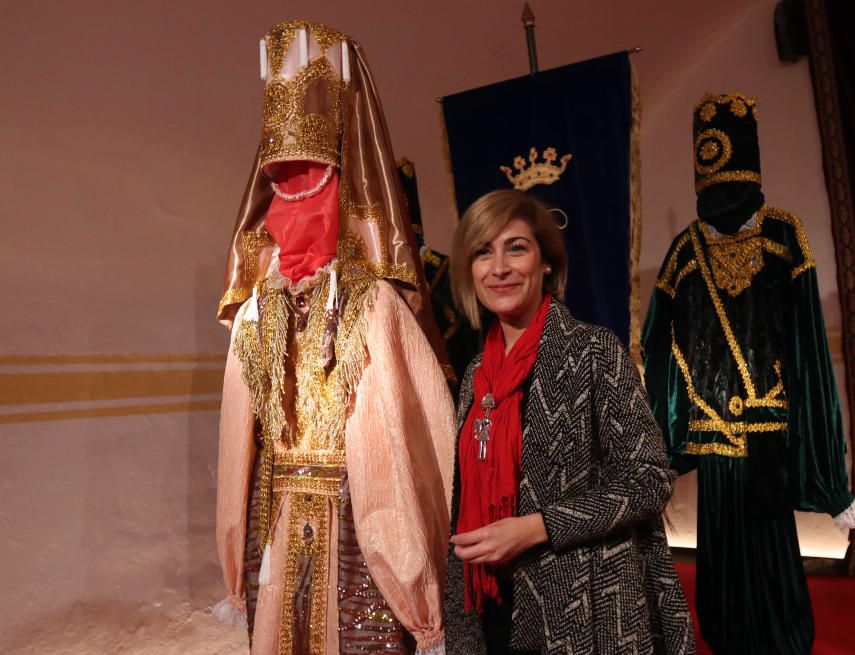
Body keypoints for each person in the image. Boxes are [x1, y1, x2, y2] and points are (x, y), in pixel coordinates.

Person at [214, 21, 454, 655]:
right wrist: (236, 555)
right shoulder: (255, 316)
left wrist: (416, 590)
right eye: (279, 181)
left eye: (310, 179)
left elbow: (401, 453)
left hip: (357, 526)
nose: (292, 202)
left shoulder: (371, 306)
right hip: (277, 516)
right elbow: (239, 447)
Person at [641, 91, 855, 655]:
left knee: (770, 553)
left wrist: (817, 456)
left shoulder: (784, 236)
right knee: (721, 561)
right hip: (716, 440)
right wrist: (665, 442)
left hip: (765, 435)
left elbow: (808, 348)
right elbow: (660, 348)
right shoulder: (682, 252)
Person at [443, 189, 695, 655]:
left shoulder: (593, 352)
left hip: (578, 608)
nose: (498, 267)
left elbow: (651, 481)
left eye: (516, 248)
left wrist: (539, 526)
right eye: (483, 252)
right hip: (488, 606)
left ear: (546, 264)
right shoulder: (476, 377)